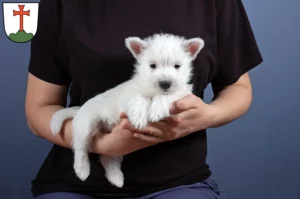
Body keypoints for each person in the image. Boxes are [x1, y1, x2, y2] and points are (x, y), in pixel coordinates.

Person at [25, 0, 263, 198]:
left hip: (177, 182)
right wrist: (100, 144)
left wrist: (207, 116)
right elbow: (39, 108)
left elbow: (239, 88)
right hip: (76, 185)